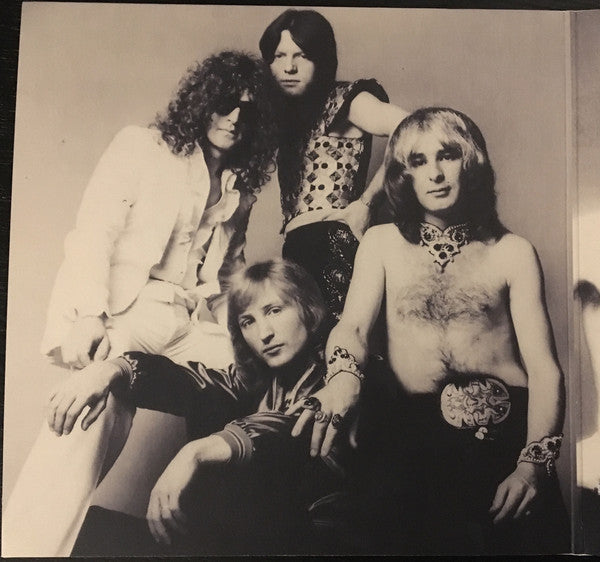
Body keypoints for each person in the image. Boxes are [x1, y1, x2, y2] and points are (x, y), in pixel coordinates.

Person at [2, 51, 276, 557]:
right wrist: (89, 314)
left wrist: (246, 339)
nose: (235, 118)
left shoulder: (238, 188)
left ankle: (207, 542)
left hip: (187, 320)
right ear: (202, 101)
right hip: (129, 310)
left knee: (255, 383)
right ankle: (25, 549)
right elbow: (95, 231)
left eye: (250, 111)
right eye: (225, 103)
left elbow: (227, 275)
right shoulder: (143, 147)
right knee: (90, 416)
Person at [289, 108, 570, 554]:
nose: (435, 174)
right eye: (418, 161)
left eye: (448, 156)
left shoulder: (513, 252)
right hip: (413, 448)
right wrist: (343, 377)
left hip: (505, 447)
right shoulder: (381, 243)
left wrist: (533, 466)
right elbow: (353, 327)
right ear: (403, 174)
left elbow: (545, 370)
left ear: (470, 162)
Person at [46, 259, 347, 556]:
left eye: (274, 310)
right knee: (86, 529)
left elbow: (287, 431)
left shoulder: (341, 381)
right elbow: (191, 383)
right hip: (230, 542)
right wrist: (115, 369)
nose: (264, 333)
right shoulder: (255, 382)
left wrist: (196, 452)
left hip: (310, 543)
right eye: (248, 321)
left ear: (308, 309)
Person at [259, 9, 408, 320]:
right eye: (279, 56)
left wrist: (367, 203)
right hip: (297, 250)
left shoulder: (344, 99)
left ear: (321, 60)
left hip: (331, 242)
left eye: (301, 56)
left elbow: (411, 127)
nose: (289, 67)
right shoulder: (289, 114)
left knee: (338, 338)